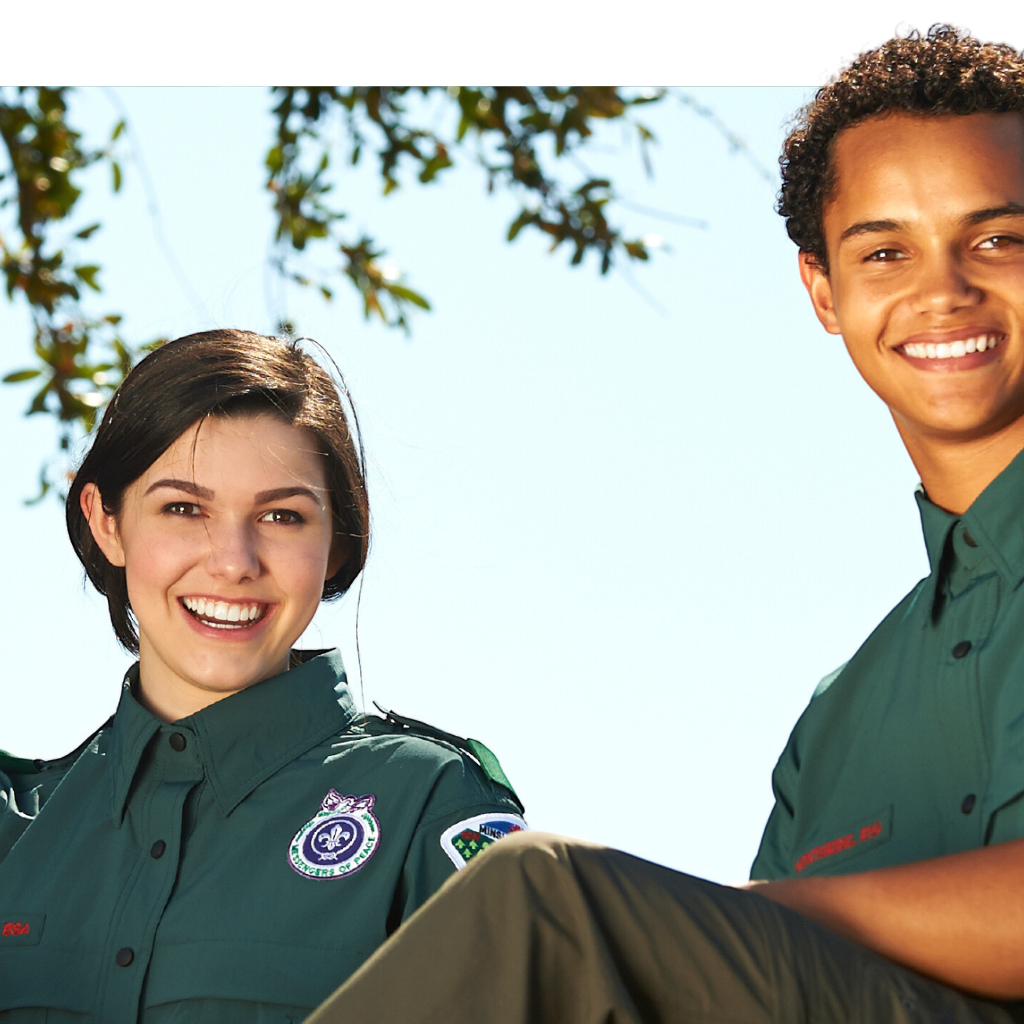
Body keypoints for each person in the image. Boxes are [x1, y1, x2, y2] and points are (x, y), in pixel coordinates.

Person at [300, 25, 1024, 1024]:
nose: (941, 290)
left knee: (541, 897)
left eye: (995, 238)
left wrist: (694, 918)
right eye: (886, 249)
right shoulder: (837, 724)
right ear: (823, 289)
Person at [0, 329, 526, 1022]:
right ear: (108, 523)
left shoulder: (426, 801)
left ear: (338, 541)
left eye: (282, 516)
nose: (233, 560)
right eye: (183, 509)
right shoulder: (17, 829)